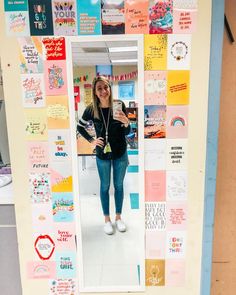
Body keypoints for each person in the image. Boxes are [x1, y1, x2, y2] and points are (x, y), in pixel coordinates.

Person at [77, 76, 130, 235]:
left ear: (110, 88)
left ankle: (118, 217)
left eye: (105, 87)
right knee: (105, 186)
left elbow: (127, 132)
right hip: (102, 155)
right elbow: (80, 127)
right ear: (95, 91)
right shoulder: (91, 109)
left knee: (119, 185)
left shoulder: (119, 105)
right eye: (99, 88)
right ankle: (107, 220)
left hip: (120, 152)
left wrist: (126, 122)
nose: (103, 91)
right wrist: (92, 141)